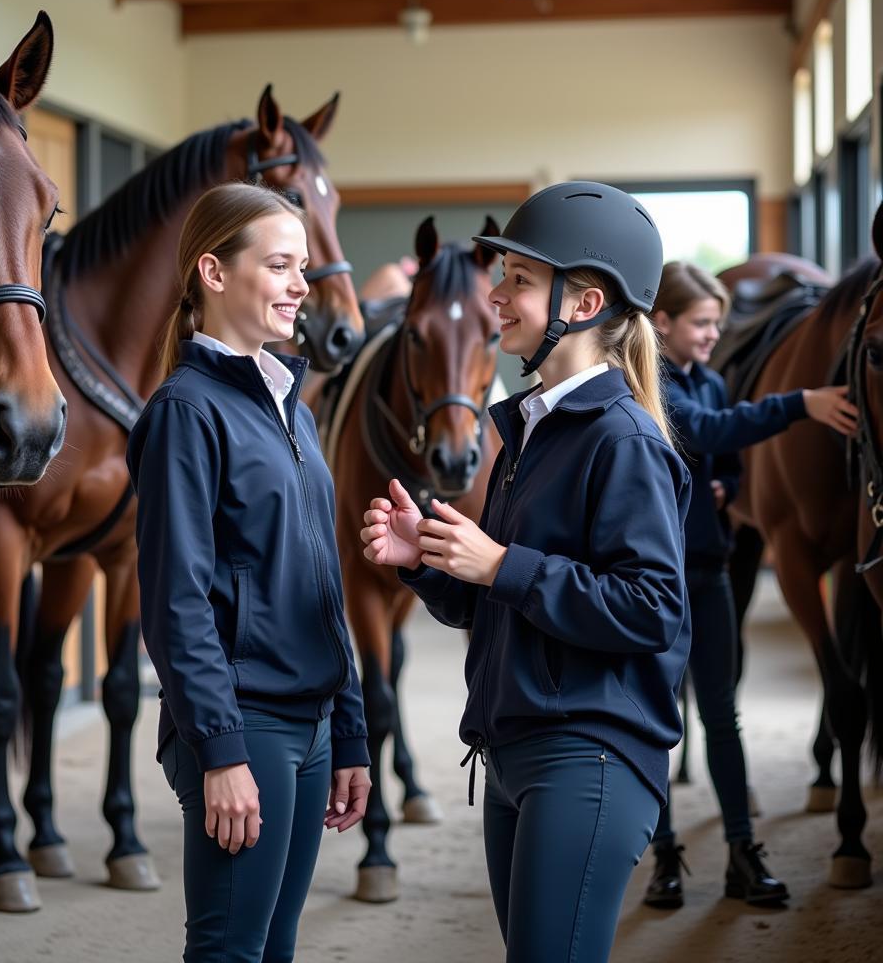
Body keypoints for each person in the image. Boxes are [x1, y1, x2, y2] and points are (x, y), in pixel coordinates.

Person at [360, 182, 691, 963]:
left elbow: (653, 609)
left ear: (582, 303)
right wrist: (433, 564)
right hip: (514, 754)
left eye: (517, 279)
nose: (497, 295)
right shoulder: (533, 432)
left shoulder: (622, 441)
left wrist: (503, 562)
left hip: (588, 757)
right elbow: (504, 605)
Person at [127, 182, 371, 963]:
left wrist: (353, 728)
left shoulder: (291, 406)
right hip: (247, 723)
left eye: (303, 266)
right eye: (281, 266)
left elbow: (324, 584)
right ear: (214, 271)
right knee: (231, 949)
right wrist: (222, 751)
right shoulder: (185, 412)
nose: (304, 285)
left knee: (275, 947)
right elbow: (176, 602)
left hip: (312, 721)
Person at [643, 261, 857, 909]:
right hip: (658, 581)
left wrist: (723, 488)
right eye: (703, 324)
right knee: (659, 722)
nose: (713, 335)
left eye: (718, 323)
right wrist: (802, 404)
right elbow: (707, 431)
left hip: (707, 571)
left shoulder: (709, 379)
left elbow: (730, 463)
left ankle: (741, 849)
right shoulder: (649, 382)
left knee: (723, 716)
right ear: (662, 324)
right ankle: (664, 856)